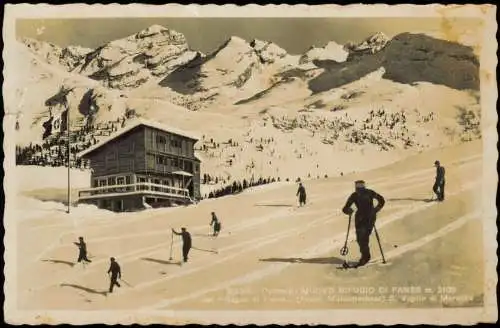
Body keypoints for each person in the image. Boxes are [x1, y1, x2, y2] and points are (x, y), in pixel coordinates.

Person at [342, 180, 385, 267]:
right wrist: (376, 209)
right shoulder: (368, 192)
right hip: (367, 217)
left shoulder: (356, 194)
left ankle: (365, 257)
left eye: (358, 186)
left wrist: (348, 211)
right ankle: (365, 256)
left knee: (362, 238)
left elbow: (345, 208)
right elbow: (382, 200)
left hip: (365, 218)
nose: (358, 187)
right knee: (363, 238)